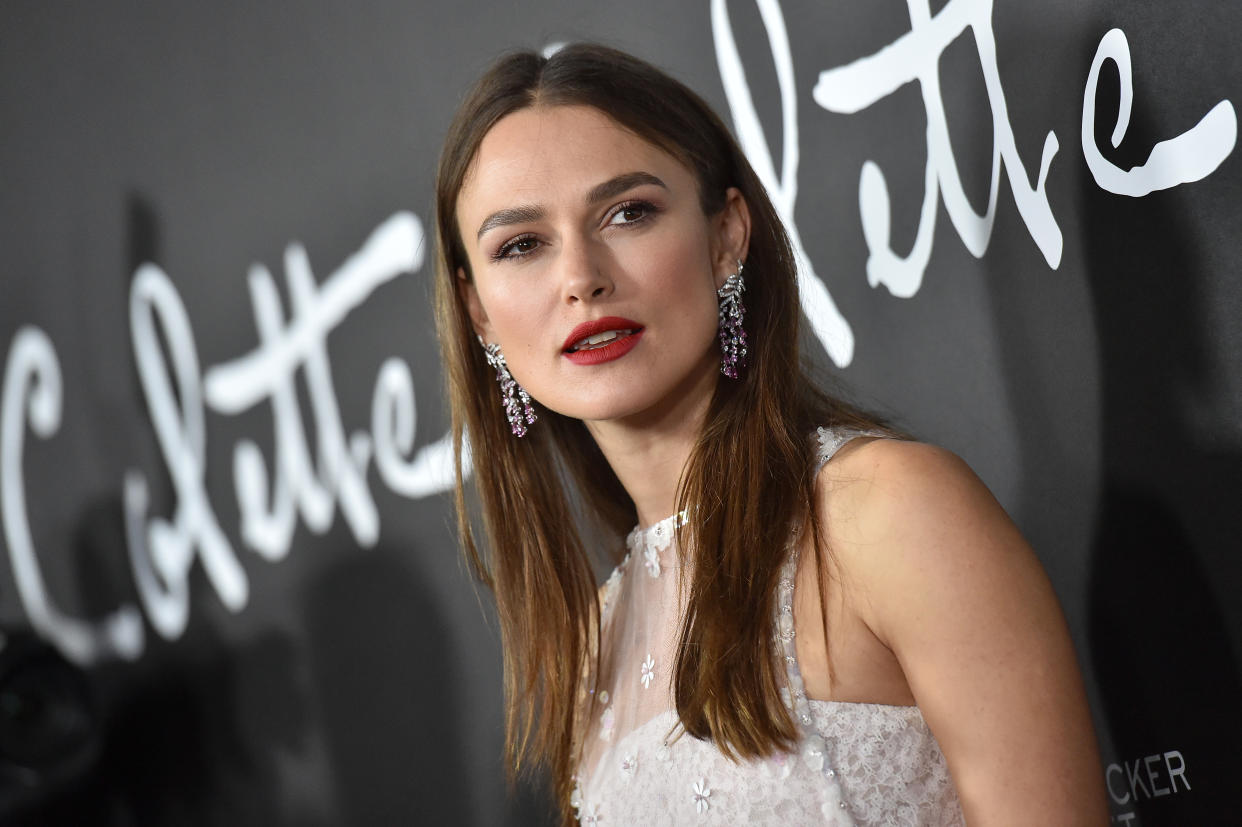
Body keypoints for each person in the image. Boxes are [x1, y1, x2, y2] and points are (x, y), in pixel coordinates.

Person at [433, 43, 1107, 825]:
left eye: (629, 212)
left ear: (727, 236)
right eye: (521, 245)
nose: (581, 275)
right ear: (478, 310)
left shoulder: (888, 514)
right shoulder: (593, 644)